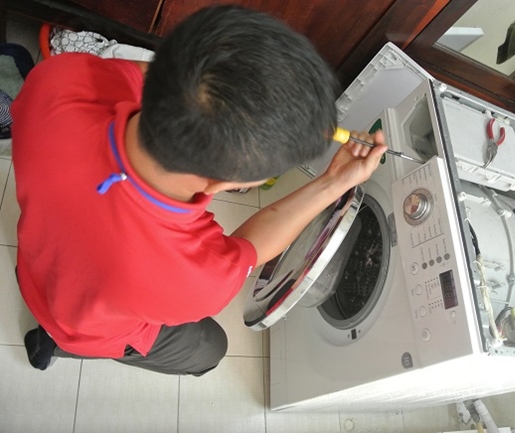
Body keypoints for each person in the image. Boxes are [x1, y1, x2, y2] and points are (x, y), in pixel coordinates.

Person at [11, 5, 386, 376]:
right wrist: (334, 182)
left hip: (36, 267)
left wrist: (258, 107)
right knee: (209, 348)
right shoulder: (197, 279)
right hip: (87, 326)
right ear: (230, 185)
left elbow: (157, 77)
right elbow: (251, 246)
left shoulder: (59, 81)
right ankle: (59, 343)